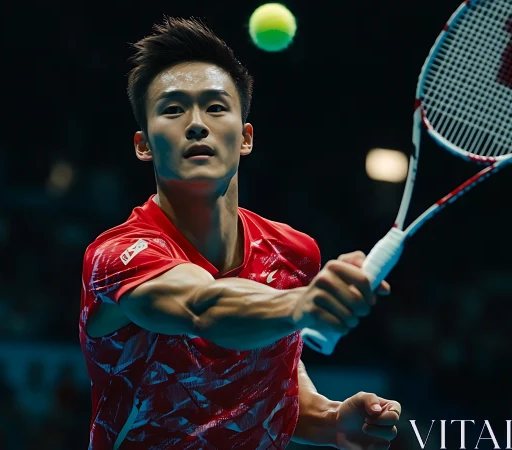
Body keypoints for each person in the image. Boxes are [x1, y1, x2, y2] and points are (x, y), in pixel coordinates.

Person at [79, 16, 402, 450]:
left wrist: (331, 420)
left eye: (215, 107)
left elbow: (271, 380)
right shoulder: (118, 256)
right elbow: (203, 307)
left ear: (245, 137)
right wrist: (300, 304)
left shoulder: (292, 253)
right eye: (173, 109)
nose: (197, 124)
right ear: (144, 145)